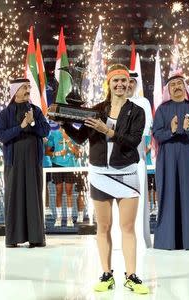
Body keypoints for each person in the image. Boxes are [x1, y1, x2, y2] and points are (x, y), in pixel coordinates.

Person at [60, 64, 149, 294]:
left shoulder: (137, 111)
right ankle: (107, 274)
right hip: (100, 175)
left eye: (123, 80)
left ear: (129, 83)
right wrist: (65, 123)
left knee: (127, 228)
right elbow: (80, 138)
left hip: (127, 174)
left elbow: (132, 141)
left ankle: (131, 276)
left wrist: (107, 130)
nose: (120, 84)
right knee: (104, 227)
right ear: (108, 84)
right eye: (115, 80)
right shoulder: (97, 110)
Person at [152, 74, 189, 250]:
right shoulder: (161, 110)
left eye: (179, 84)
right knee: (167, 196)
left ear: (185, 87)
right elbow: (157, 135)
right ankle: (167, 242)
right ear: (168, 89)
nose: (176, 87)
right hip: (167, 161)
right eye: (172, 84)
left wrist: (188, 129)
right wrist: (172, 131)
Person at [0, 78, 50, 248]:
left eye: (28, 87)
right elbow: (2, 136)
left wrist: (33, 122)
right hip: (13, 163)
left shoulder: (36, 110)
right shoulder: (5, 114)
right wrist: (21, 126)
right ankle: (13, 238)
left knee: (34, 198)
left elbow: (45, 130)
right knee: (14, 198)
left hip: (33, 163)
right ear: (15, 91)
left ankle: (36, 238)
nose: (28, 90)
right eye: (24, 87)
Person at [127, 71, 152, 248]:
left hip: (137, 154)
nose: (128, 85)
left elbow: (145, 129)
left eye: (131, 82)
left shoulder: (143, 102)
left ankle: (139, 239)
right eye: (125, 81)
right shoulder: (114, 102)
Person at [47, 127, 79, 227]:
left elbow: (76, 153)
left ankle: (69, 218)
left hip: (70, 166)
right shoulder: (53, 134)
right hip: (57, 165)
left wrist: (67, 138)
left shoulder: (74, 133)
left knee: (69, 192)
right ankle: (59, 218)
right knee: (59, 191)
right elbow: (47, 152)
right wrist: (58, 153)